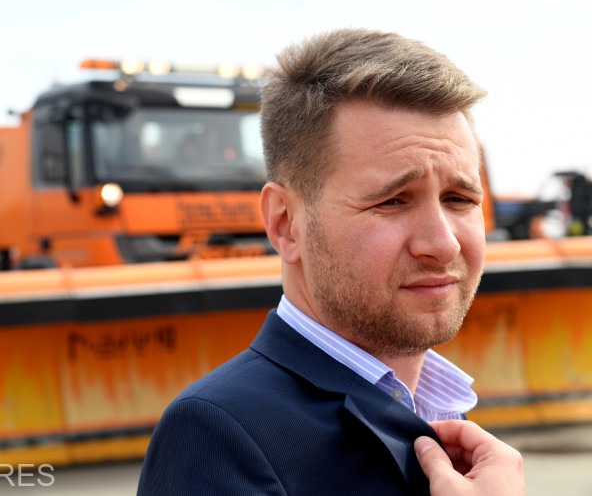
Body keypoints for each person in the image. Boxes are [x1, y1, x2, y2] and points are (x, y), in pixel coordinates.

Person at [137, 28, 525, 495]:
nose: (443, 245)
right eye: (392, 201)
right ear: (285, 224)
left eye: (459, 199)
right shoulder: (215, 435)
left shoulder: (447, 416)